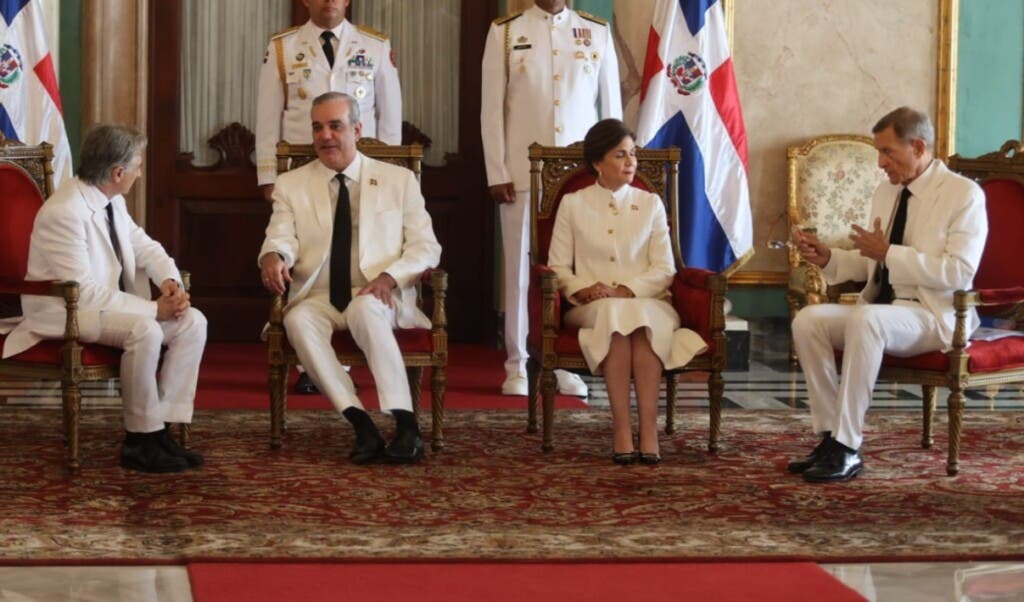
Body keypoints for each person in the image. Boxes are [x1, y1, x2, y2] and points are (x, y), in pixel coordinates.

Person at [788, 107, 988, 483]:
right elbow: (874, 263)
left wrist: (889, 253)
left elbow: (959, 272)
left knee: (868, 320)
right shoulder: (886, 191)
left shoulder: (963, 195)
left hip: (934, 315)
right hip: (882, 311)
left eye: (887, 152)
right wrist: (829, 257)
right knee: (809, 320)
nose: (880, 163)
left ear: (918, 147)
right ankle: (830, 437)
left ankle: (848, 446)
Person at [1, 125, 208, 473]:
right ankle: (139, 441)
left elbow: (146, 246)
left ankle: (161, 429)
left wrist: (169, 281)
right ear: (117, 173)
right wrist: (154, 309)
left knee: (193, 321)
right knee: (146, 329)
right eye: (138, 166)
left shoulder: (112, 200)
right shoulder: (65, 211)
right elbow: (82, 293)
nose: (140, 173)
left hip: (105, 306)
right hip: (66, 311)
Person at [258, 92, 441, 465]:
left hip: (381, 294)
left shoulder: (399, 180)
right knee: (297, 319)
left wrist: (390, 278)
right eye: (317, 127)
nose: (325, 136)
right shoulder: (292, 184)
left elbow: (426, 247)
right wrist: (273, 256)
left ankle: (406, 424)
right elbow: (280, 236)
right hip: (319, 294)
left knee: (364, 309)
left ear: (357, 130)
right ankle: (360, 423)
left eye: (335, 126)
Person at [256, 0, 402, 395]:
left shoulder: (374, 45)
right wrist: (268, 175)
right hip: (302, 174)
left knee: (353, 258)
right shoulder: (283, 47)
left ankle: (350, 362)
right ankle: (310, 365)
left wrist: (390, 172)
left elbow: (389, 119)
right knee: (306, 265)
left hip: (360, 171)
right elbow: (268, 117)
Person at [481, 0, 622, 398]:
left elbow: (610, 112)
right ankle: (517, 363)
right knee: (519, 272)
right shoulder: (506, 31)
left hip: (580, 176)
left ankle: (563, 362)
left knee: (573, 269)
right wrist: (497, 171)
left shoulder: (597, 31)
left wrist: (611, 169)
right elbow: (491, 110)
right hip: (522, 173)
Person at [548, 119, 707, 464]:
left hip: (648, 302)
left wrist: (626, 290)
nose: (630, 162)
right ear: (597, 162)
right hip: (592, 305)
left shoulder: (650, 203)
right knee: (615, 317)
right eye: (620, 155)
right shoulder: (573, 203)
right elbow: (557, 268)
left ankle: (648, 430)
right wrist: (584, 289)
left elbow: (664, 269)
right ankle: (622, 428)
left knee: (637, 318)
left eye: (633, 154)